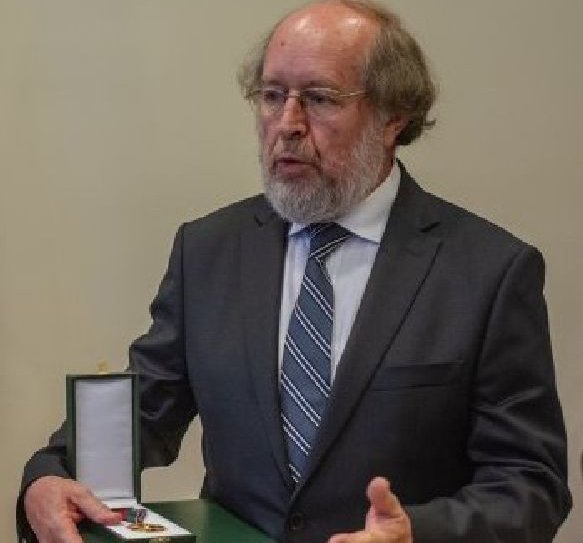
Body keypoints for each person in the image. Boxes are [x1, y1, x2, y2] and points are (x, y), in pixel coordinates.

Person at [19, 1, 571, 542]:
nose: (287, 124)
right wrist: (48, 475)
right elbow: (144, 412)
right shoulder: (209, 250)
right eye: (271, 96)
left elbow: (529, 485)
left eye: (320, 99)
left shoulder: (488, 272)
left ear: (392, 117)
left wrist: (416, 535)